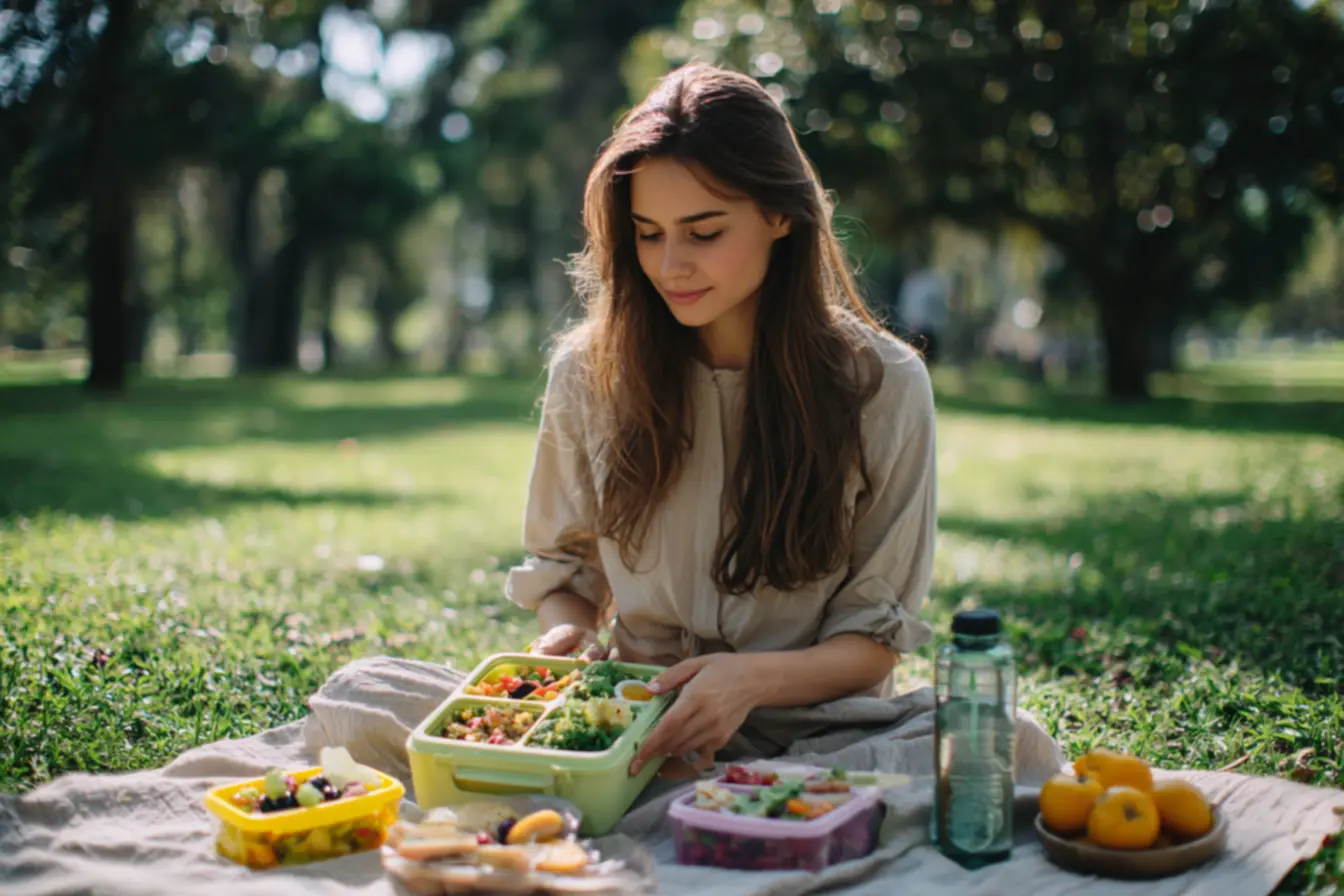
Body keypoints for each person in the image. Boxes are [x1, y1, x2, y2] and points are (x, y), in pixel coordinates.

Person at [503, 63, 939, 779]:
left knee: (995, 742)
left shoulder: (884, 385)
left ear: (781, 215)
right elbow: (567, 575)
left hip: (817, 736)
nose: (670, 265)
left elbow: (872, 638)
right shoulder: (588, 372)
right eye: (647, 234)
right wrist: (569, 637)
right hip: (636, 730)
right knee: (366, 694)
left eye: (703, 232)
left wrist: (748, 683)